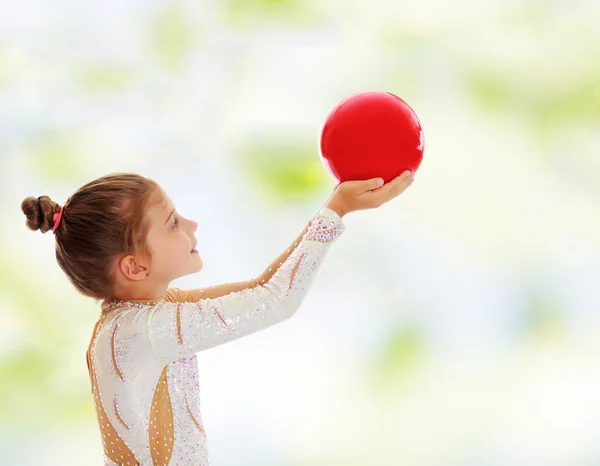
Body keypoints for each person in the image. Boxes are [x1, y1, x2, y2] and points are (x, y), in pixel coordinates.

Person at [20, 170, 414, 465]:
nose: (191, 226)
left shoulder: (135, 318)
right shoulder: (148, 330)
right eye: (173, 223)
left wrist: (333, 205)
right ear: (135, 267)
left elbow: (262, 286)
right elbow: (277, 300)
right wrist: (337, 211)